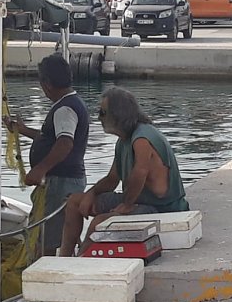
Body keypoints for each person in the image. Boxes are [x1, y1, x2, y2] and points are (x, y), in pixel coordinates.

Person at [59, 87, 188, 257]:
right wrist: (91, 193)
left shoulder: (142, 138)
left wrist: (126, 205)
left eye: (102, 113)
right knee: (75, 202)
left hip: (161, 208)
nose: (99, 117)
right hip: (138, 200)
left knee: (100, 223)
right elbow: (112, 179)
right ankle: (65, 257)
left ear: (117, 114)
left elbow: (139, 173)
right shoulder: (123, 141)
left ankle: (81, 260)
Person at [3, 54, 89, 255]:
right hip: (66, 180)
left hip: (61, 183)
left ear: (47, 84)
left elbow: (65, 143)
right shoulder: (71, 103)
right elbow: (50, 138)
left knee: (48, 238)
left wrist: (40, 170)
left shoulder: (65, 108)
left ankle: (46, 267)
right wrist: (22, 130)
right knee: (59, 231)